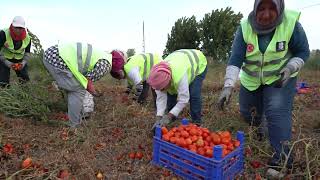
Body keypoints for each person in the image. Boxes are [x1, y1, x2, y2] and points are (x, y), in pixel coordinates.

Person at [217, 0, 310, 172]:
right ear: (255, 8)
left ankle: (282, 160)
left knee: (276, 112)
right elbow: (236, 58)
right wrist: (228, 86)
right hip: (251, 80)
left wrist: (290, 68)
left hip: (280, 78)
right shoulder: (245, 27)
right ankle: (261, 129)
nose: (266, 14)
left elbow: (303, 51)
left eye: (271, 8)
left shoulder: (291, 24)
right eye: (261, 8)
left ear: (280, 7)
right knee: (248, 112)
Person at [43, 42, 126, 127]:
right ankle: (74, 125)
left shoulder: (103, 56)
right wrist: (94, 93)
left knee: (73, 86)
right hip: (57, 58)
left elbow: (85, 78)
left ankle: (73, 114)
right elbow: (87, 82)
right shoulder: (106, 65)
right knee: (78, 89)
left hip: (54, 54)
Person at [148, 49, 207, 130]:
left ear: (168, 80)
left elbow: (183, 99)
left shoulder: (179, 76)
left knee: (194, 94)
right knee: (171, 94)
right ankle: (172, 120)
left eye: (162, 88)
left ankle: (197, 122)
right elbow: (161, 98)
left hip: (198, 63)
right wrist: (159, 117)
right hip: (179, 59)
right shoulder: (158, 76)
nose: (161, 91)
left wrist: (168, 116)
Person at [0, 16, 32, 87]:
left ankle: (24, 95)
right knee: (3, 80)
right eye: (16, 27)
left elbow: (27, 52)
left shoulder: (28, 38)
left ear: (23, 28)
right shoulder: (3, 33)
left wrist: (23, 63)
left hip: (19, 60)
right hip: (4, 58)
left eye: (20, 28)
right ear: (12, 26)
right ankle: (5, 94)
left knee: (25, 79)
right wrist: (6, 62)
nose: (18, 30)